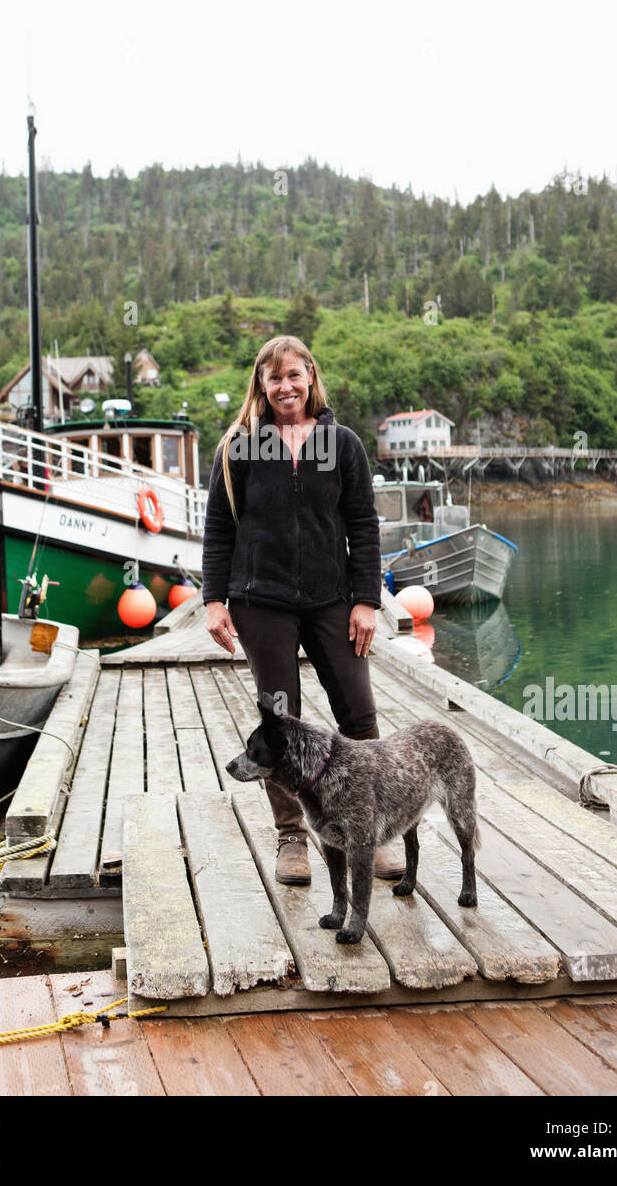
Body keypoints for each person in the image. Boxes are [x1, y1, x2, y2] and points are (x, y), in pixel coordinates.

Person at [202, 335, 404, 885]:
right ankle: (292, 838)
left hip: (332, 600)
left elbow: (363, 526)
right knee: (278, 717)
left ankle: (372, 832)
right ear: (261, 386)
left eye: (294, 375)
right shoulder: (240, 447)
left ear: (310, 376)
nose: (286, 386)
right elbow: (220, 529)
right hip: (259, 600)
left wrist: (366, 600)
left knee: (359, 715)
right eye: (275, 378)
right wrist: (214, 601)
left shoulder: (343, 445)